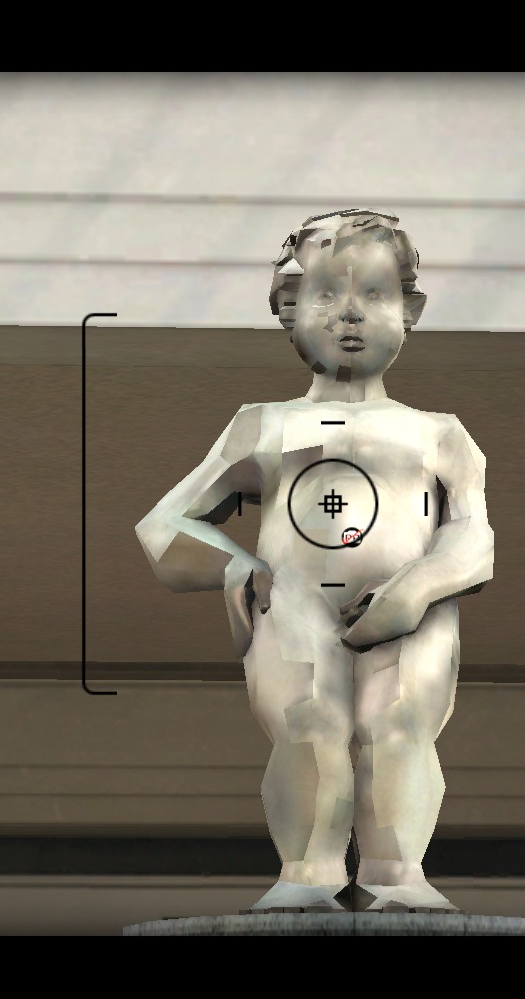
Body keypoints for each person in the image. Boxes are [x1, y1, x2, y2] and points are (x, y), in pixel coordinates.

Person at [135, 209, 495, 913]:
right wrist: (241, 572)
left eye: (374, 294)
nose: (349, 314)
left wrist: (417, 588)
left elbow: (474, 537)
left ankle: (399, 877)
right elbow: (163, 526)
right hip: (295, 603)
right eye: (327, 294)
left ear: (411, 309)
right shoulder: (263, 424)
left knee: (400, 726)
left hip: (412, 608)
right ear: (288, 307)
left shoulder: (440, 433)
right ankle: (306, 875)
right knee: (308, 722)